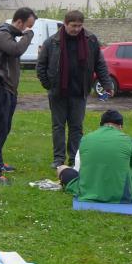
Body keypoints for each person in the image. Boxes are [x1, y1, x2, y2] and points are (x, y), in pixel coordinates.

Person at [37, 10, 114, 169]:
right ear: (65, 24)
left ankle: (74, 158)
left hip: (79, 92)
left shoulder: (91, 40)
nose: (77, 29)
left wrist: (107, 84)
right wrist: (49, 85)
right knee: (58, 126)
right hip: (58, 92)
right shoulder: (51, 42)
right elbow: (41, 66)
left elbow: (99, 64)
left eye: (79, 26)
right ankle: (58, 159)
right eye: (73, 26)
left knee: (76, 127)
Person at [0, 7, 37, 185]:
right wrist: (29, 35)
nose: (28, 30)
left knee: (4, 128)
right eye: (28, 26)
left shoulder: (10, 35)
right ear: (19, 22)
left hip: (8, 90)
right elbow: (16, 50)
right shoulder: (1, 34)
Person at [56, 110, 132, 203]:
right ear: (120, 126)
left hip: (88, 190)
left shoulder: (85, 139)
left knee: (61, 168)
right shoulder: (131, 142)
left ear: (101, 124)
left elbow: (81, 167)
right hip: (122, 195)